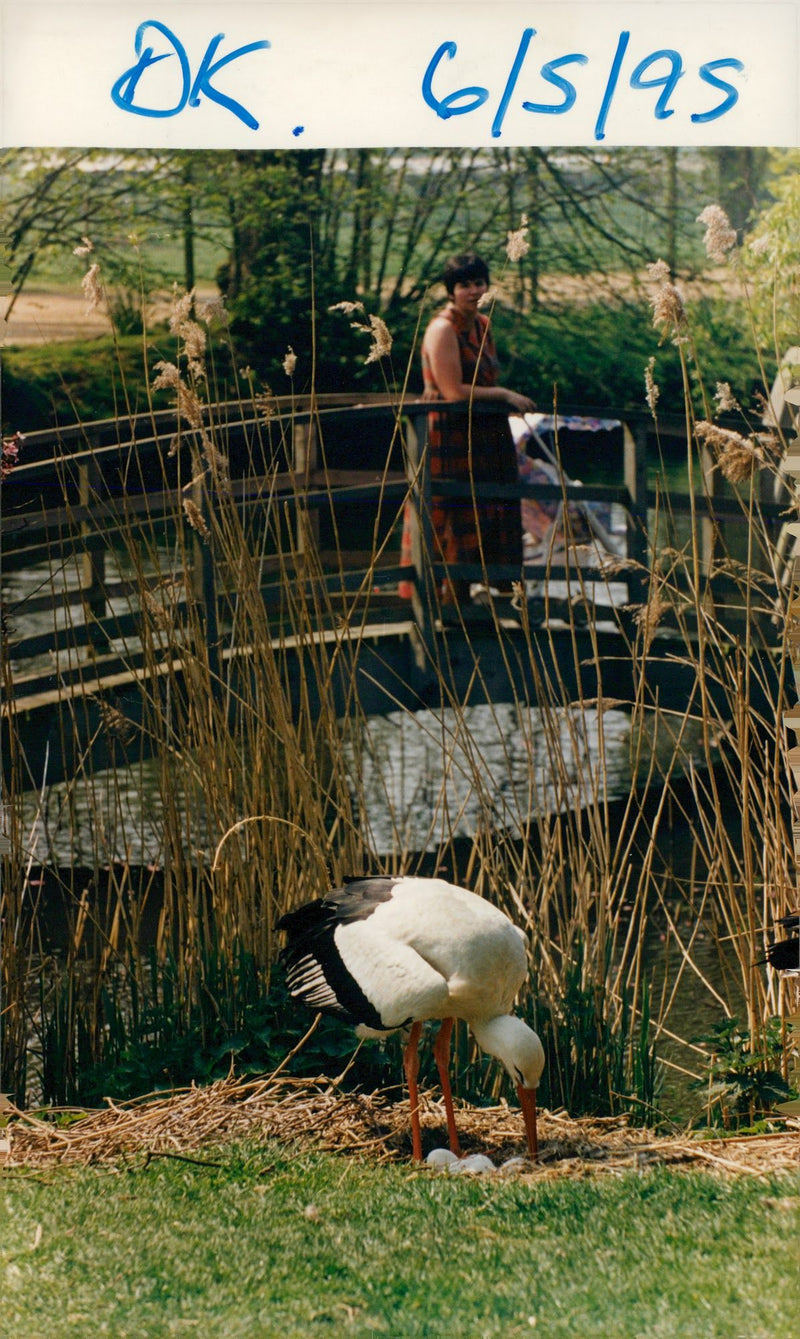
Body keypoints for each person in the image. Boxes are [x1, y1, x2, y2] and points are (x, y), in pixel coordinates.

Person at [415, 252, 535, 606]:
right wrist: (504, 394)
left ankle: (496, 600)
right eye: (464, 285)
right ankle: (449, 606)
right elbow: (452, 391)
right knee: (455, 518)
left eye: (479, 283)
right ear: (450, 291)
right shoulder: (442, 329)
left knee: (493, 514)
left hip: (485, 436)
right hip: (450, 435)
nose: (473, 291)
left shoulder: (483, 324)